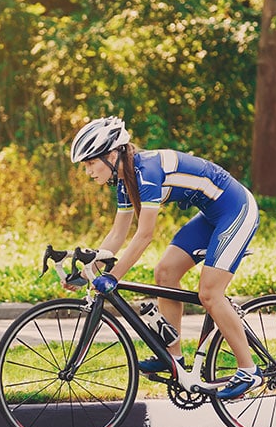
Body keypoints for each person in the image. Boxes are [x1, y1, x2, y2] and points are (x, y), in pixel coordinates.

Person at [67, 116, 261, 400]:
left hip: (236, 209)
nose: (87, 172)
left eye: (90, 163)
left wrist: (114, 276)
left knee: (209, 293)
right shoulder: (125, 181)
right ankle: (174, 359)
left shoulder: (146, 173)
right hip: (211, 215)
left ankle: (249, 370)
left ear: (111, 155)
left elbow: (145, 235)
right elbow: (117, 235)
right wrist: (89, 272)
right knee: (166, 273)